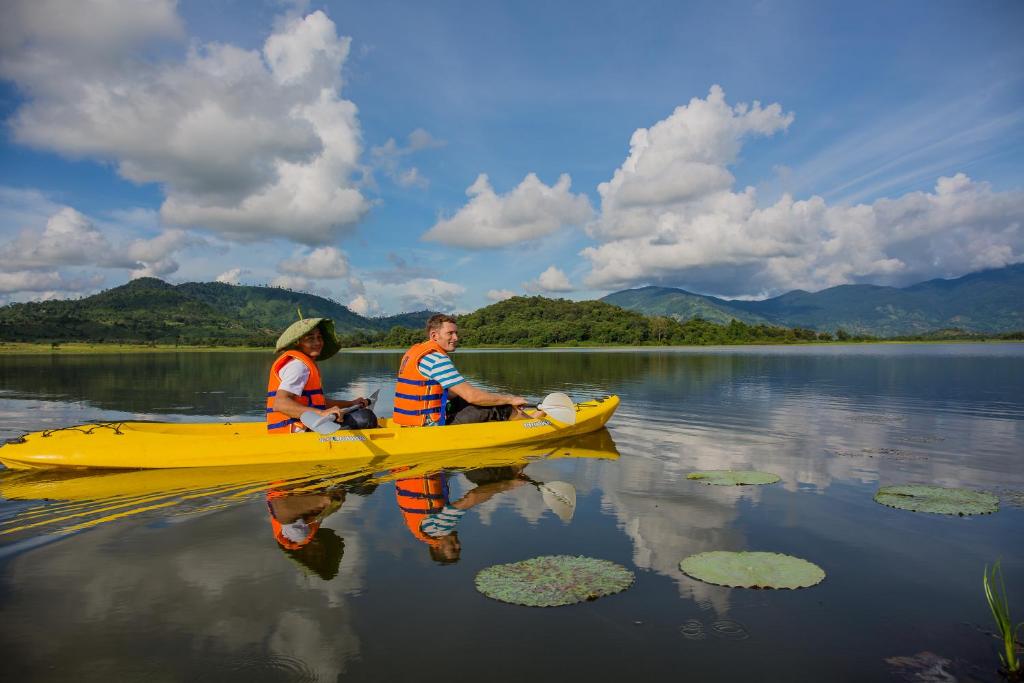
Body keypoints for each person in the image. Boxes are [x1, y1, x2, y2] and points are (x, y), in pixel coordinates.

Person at [392, 314, 528, 426]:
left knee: (465, 399)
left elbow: (450, 394)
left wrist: (484, 397)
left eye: (456, 333)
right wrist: (510, 399)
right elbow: (472, 396)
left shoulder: (416, 353)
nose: (456, 338)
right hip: (430, 427)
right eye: (450, 333)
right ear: (434, 335)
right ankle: (533, 424)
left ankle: (523, 417)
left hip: (408, 423)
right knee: (499, 406)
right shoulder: (437, 359)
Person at [394, 466, 527, 564]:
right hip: (409, 468)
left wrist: (508, 485)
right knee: (481, 477)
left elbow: (472, 497)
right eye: (459, 549)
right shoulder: (424, 531)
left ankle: (519, 462)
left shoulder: (437, 530)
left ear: (437, 547)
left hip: (421, 467)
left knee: (478, 476)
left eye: (453, 549)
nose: (458, 545)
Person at [266, 317, 372, 433]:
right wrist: (322, 413)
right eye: (310, 338)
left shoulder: (303, 363)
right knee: (365, 418)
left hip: (304, 426)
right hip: (295, 431)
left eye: (319, 337)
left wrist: (351, 403)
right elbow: (280, 404)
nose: (317, 342)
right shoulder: (298, 366)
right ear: (298, 342)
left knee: (357, 413)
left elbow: (320, 403)